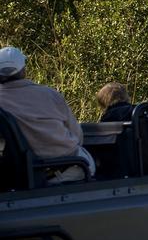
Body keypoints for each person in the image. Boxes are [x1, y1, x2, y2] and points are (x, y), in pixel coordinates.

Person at [0, 47, 94, 183]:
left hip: (24, 171)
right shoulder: (50, 95)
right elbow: (77, 135)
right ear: (23, 70)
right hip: (69, 167)